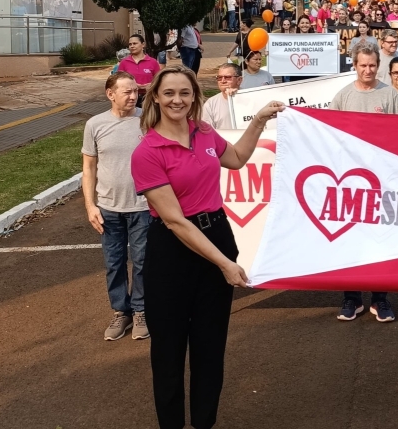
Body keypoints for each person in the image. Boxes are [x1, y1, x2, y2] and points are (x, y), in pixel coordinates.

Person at [131, 67, 283, 429]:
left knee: (210, 345)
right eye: (168, 93)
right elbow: (175, 221)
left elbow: (238, 158)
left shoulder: (205, 133)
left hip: (216, 232)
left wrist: (259, 120)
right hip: (173, 250)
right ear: (154, 97)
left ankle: (204, 423)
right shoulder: (147, 152)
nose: (177, 100)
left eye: (184, 93)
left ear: (195, 98)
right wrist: (225, 264)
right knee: (168, 349)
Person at [331, 41, 398, 322]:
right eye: (362, 65)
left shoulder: (389, 95)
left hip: (383, 182)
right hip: (350, 182)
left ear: (379, 66)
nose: (367, 70)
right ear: (354, 65)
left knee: (381, 240)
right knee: (350, 240)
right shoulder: (342, 97)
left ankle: (380, 298)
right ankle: (351, 298)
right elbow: (328, 137)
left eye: (372, 65)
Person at [82, 72, 150, 341]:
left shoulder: (148, 121)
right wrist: (90, 206)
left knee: (144, 262)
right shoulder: (94, 125)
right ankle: (121, 312)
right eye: (127, 92)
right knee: (114, 262)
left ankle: (140, 310)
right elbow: (88, 167)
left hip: (143, 206)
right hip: (108, 208)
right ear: (110, 94)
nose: (133, 96)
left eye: (135, 91)